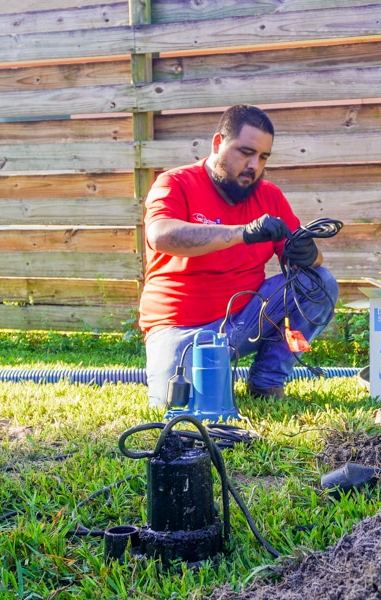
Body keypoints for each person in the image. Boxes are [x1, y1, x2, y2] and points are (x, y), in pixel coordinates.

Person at [139, 104, 339, 407]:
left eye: (262, 157)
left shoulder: (269, 195)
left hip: (247, 319)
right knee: (176, 407)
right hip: (181, 327)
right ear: (218, 143)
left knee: (320, 282)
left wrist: (310, 253)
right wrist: (241, 232)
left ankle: (267, 380)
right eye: (245, 152)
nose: (253, 165)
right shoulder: (175, 183)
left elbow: (310, 265)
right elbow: (161, 235)